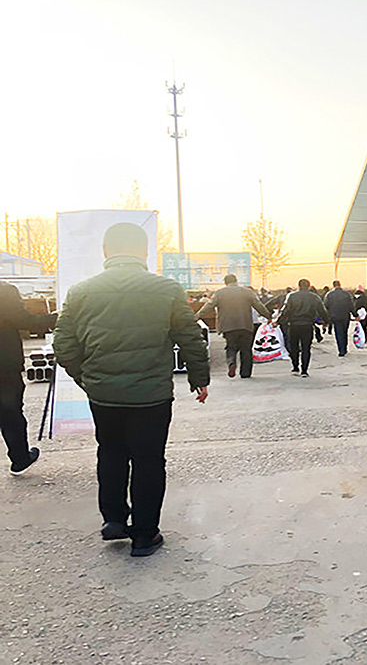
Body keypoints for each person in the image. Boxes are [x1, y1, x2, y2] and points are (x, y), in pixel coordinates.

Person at [53, 223, 210, 557]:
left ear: (106, 251)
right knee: (148, 460)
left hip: (104, 395)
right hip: (151, 396)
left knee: (110, 452)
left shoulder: (82, 291)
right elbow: (191, 337)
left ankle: (113, 519)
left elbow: (62, 342)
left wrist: (87, 377)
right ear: (143, 251)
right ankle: (144, 535)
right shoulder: (166, 289)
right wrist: (199, 377)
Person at [0, 282, 57, 475]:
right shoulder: (4, 291)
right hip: (4, 366)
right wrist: (57, 318)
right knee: (10, 413)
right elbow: (26, 321)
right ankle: (20, 459)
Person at [196, 274, 270, 379]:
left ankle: (231, 362)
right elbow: (258, 306)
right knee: (246, 349)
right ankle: (245, 373)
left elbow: (209, 306)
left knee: (231, 347)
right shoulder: (247, 292)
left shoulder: (220, 293)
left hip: (228, 326)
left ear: (225, 282)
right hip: (245, 325)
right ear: (236, 281)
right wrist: (268, 316)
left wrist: (196, 317)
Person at [278, 279, 329, 377]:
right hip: (307, 324)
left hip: (294, 325)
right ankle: (304, 370)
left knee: (294, 347)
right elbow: (322, 310)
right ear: (309, 286)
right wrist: (326, 321)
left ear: (299, 286)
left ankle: (295, 367)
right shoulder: (314, 297)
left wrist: (279, 321)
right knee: (306, 348)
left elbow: (286, 310)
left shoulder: (292, 296)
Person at [324, 280, 354, 357]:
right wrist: (355, 314)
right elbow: (351, 305)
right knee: (345, 332)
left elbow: (325, 306)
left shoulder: (329, 294)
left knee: (338, 333)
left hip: (335, 316)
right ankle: (345, 347)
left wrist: (326, 317)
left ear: (333, 285)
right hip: (345, 315)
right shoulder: (346, 294)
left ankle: (341, 350)